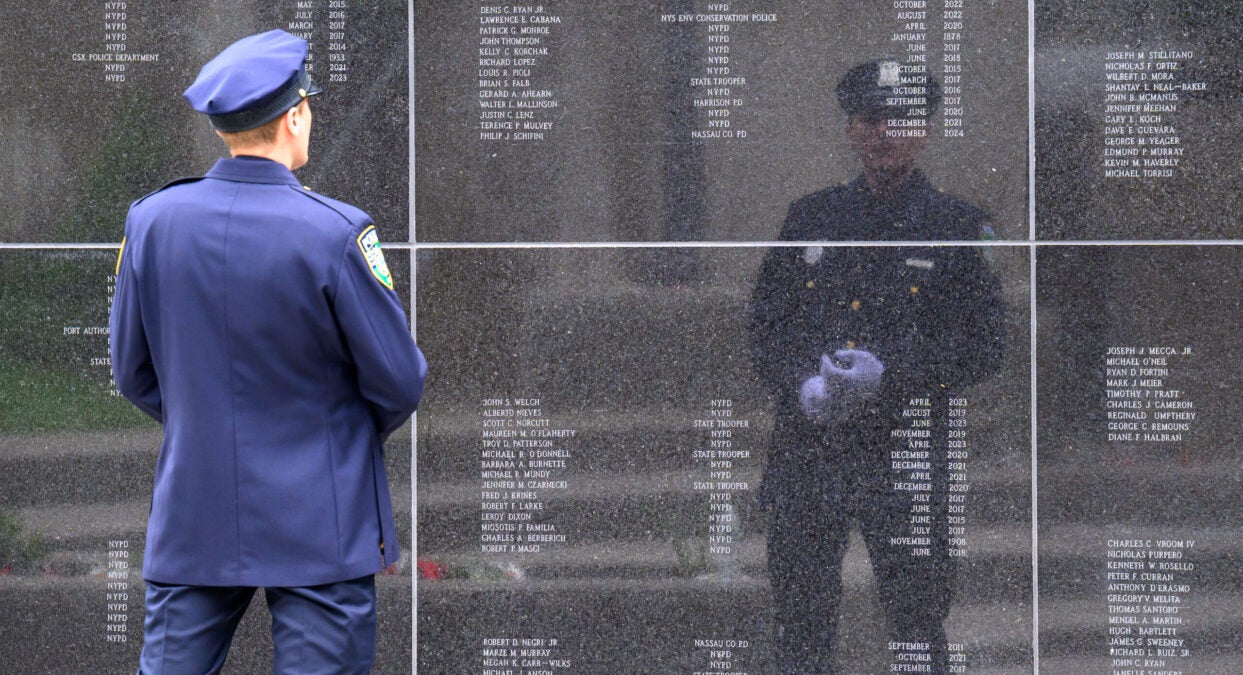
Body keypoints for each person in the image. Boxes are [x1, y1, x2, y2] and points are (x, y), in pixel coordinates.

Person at [109, 29, 427, 674]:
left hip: (195, 511)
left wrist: (206, 422)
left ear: (223, 127)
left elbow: (132, 372)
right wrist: (331, 440)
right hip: (321, 520)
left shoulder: (152, 221)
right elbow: (398, 379)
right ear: (295, 115)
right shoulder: (336, 232)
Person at [748, 59, 1006, 673]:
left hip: (906, 444)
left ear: (926, 132)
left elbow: (983, 344)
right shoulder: (810, 217)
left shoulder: (957, 225)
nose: (885, 131)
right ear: (851, 130)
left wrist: (891, 375)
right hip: (810, 449)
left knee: (917, 622)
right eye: (871, 118)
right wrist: (802, 383)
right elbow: (767, 325)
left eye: (902, 119)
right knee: (801, 623)